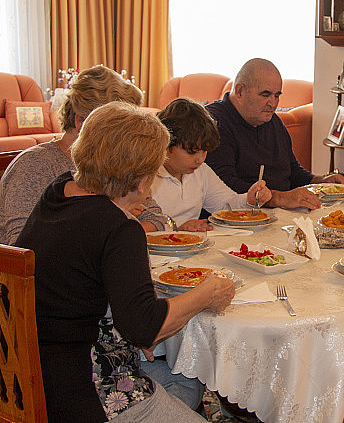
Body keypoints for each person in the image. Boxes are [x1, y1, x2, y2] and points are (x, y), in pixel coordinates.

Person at [17, 102, 235, 422]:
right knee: (186, 386)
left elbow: (83, 280)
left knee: (188, 383)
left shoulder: (60, 189)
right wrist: (208, 292)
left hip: (29, 371)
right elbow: (145, 328)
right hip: (87, 390)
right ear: (140, 180)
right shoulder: (119, 229)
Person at [0, 65, 164, 244]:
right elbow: (21, 247)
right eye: (117, 130)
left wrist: (117, 224)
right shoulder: (34, 166)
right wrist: (114, 219)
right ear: (81, 121)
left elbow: (157, 219)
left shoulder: (117, 164)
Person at [205, 58, 344, 210]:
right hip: (241, 220)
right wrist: (280, 198)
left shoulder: (273, 121)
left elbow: (292, 171)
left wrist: (319, 181)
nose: (273, 103)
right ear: (240, 91)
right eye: (265, 95)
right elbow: (224, 189)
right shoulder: (213, 123)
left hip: (279, 214)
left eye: (277, 95)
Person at [152, 98, 271, 229]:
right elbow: (138, 228)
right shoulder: (147, 177)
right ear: (167, 145)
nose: (200, 159)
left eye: (204, 151)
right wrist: (176, 230)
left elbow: (226, 205)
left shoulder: (200, 171)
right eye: (192, 152)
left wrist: (249, 199)